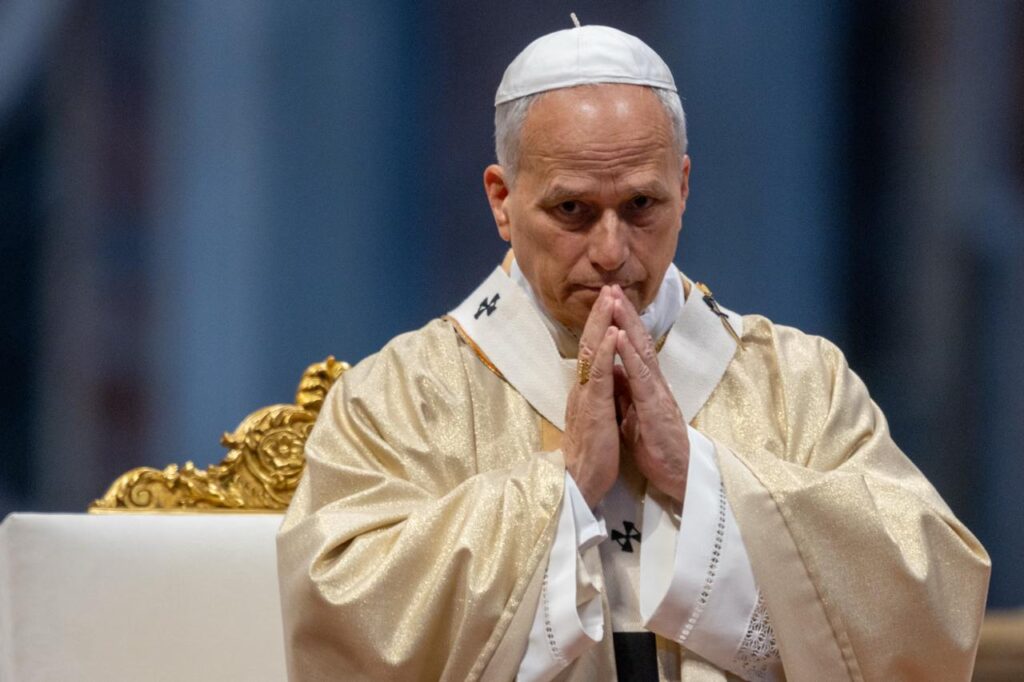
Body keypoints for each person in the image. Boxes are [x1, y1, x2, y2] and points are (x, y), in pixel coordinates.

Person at [276, 23, 990, 682]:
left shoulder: (798, 382)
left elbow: (932, 595)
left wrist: (699, 474)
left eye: (641, 206)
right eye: (572, 210)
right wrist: (563, 487)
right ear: (502, 199)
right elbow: (342, 610)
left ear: (683, 186)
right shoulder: (402, 396)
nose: (612, 252)